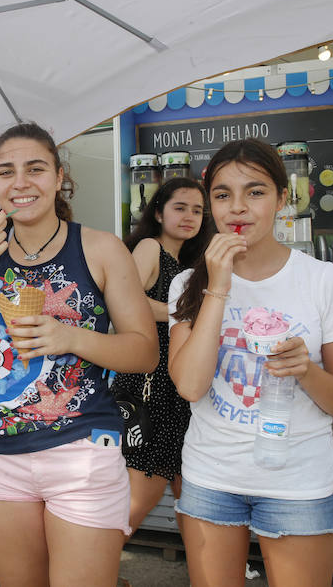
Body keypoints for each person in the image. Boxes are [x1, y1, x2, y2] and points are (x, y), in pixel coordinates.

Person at [0, 122, 159, 586]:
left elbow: (145, 351)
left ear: (58, 177)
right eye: (6, 172)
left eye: (35, 169)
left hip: (83, 450)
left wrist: (70, 337)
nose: (21, 182)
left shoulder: (100, 248)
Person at [167, 139, 333, 586]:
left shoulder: (323, 281)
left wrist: (306, 370)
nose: (237, 208)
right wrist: (218, 286)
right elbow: (191, 387)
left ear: (282, 198)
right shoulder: (188, 283)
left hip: (298, 483)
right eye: (223, 195)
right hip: (210, 476)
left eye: (255, 192)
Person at [111, 177, 212, 534]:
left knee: (192, 492)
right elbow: (126, 302)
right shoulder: (150, 247)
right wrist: (183, 315)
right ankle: (90, 560)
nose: (189, 217)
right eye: (179, 208)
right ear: (158, 213)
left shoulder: (188, 263)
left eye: (197, 210)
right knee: (140, 495)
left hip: (178, 388)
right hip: (148, 387)